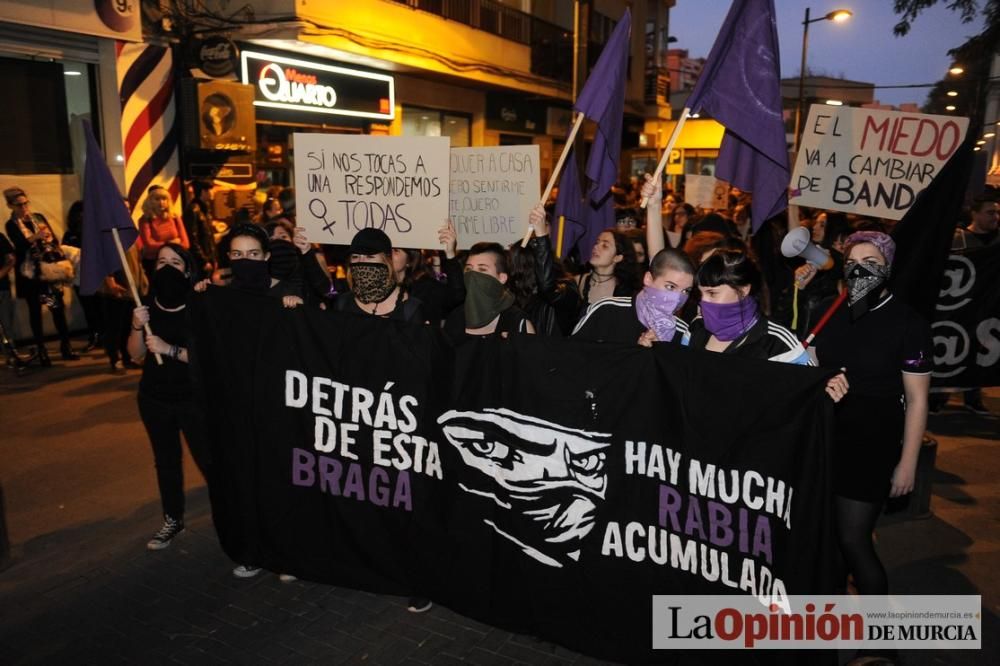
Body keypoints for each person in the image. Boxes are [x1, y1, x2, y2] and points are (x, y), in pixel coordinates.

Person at [812, 231, 930, 601]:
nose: (860, 270)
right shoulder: (826, 311)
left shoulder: (908, 322)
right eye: (852, 264)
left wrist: (908, 463)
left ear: (889, 269)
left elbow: (917, 399)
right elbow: (810, 367)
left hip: (872, 441)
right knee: (826, 537)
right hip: (826, 435)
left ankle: (879, 641)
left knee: (853, 539)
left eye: (871, 263)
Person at [128, 243, 210, 551]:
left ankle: (233, 519)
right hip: (154, 398)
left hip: (192, 399)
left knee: (209, 461)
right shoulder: (145, 305)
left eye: (175, 262)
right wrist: (137, 326)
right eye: (161, 261)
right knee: (166, 462)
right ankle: (172, 519)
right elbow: (134, 354)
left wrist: (169, 350)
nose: (166, 267)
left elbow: (208, 359)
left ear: (188, 269)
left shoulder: (199, 305)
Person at [685, 248, 813, 365]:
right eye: (700, 293)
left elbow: (811, 385)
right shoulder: (697, 327)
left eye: (712, 293)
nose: (703, 302)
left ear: (743, 289)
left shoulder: (776, 342)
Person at [932, 198, 999, 416]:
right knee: (952, 349)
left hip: (986, 310)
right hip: (958, 309)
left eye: (997, 213)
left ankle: (973, 399)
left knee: (980, 351)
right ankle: (938, 396)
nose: (995, 217)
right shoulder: (956, 240)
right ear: (975, 214)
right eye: (990, 212)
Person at [4, 188, 78, 364]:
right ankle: (41, 350)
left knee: (56, 307)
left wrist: (48, 240)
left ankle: (66, 346)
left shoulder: (38, 218)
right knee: (35, 312)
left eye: (25, 203)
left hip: (47, 273)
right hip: (30, 276)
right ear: (10, 206)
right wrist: (35, 237)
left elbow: (53, 240)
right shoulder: (11, 224)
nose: (24, 207)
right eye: (19, 205)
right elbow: (19, 246)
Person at [509, 207, 581, 336]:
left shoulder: (566, 289)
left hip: (553, 354)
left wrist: (542, 236)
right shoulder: (515, 295)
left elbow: (548, 288)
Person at [443, 241, 534, 340]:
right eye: (469, 269)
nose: (473, 276)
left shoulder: (517, 322)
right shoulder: (456, 318)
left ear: (502, 278)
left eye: (482, 270)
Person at [334, 228, 424, 322]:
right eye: (355, 257)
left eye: (370, 256)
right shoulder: (342, 303)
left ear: (386, 261)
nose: (361, 262)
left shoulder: (411, 309)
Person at [62, 200, 102, 351]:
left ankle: (104, 336)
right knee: (89, 308)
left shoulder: (96, 230)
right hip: (80, 277)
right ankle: (94, 335)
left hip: (98, 275)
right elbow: (64, 254)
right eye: (80, 213)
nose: (83, 216)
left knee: (100, 307)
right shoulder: (70, 234)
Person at [574, 229, 641, 312]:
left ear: (617, 257)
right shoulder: (577, 282)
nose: (595, 247)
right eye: (597, 242)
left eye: (605, 246)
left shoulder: (627, 291)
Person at [138, 185, 189, 279]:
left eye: (164, 199)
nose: (161, 202)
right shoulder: (145, 219)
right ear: (150, 201)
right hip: (154, 262)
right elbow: (149, 244)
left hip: (175, 260)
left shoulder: (174, 217)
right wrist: (170, 243)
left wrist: (166, 245)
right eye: (157, 199)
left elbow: (185, 243)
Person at [183, 180, 218, 276]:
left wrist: (213, 258)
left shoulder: (204, 209)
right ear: (203, 191)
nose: (213, 192)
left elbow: (208, 236)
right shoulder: (193, 210)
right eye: (211, 190)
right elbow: (193, 238)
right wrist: (203, 261)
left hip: (208, 257)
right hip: (200, 261)